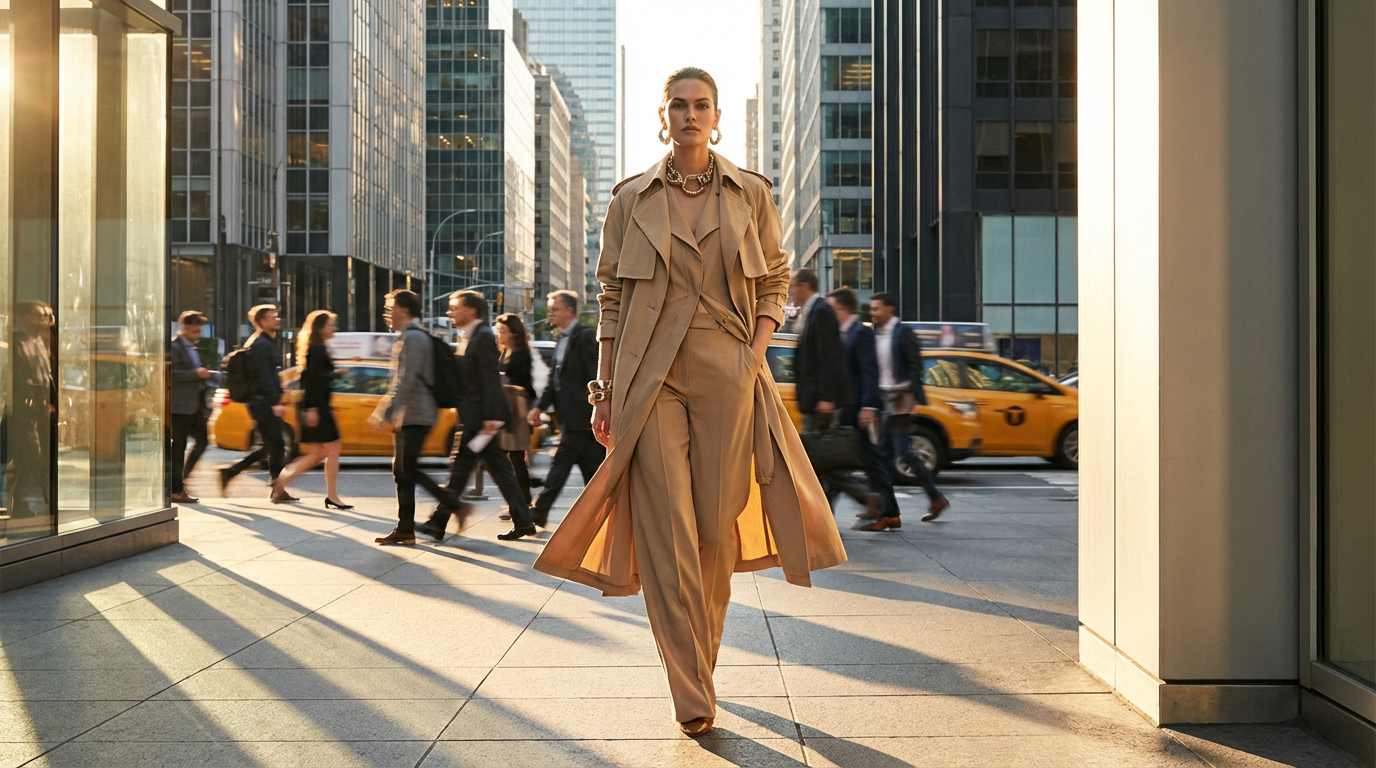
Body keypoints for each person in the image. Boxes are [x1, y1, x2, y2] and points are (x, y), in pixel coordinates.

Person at [532, 68, 846, 737]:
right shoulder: (629, 200)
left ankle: (699, 659)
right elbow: (611, 300)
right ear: (663, 115)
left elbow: (774, 278)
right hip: (650, 380)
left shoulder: (752, 193)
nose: (690, 114)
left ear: (716, 116)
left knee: (711, 531)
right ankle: (691, 690)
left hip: (729, 373)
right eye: (679, 104)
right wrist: (603, 391)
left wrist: (754, 354)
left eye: (701, 105)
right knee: (667, 532)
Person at [416, 291, 538, 542]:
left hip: (481, 420)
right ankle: (523, 522)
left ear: (471, 311)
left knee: (464, 470)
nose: (450, 313)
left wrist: (491, 417)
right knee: (492, 472)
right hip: (477, 418)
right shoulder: (472, 336)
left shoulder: (482, 336)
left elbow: (489, 379)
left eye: (454, 308)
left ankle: (438, 522)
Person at [370, 289, 467, 545]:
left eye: (390, 307)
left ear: (403, 309)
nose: (387, 313)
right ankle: (405, 528)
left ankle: (453, 504)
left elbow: (407, 379)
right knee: (401, 471)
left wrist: (386, 412)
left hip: (417, 413)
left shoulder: (413, 339)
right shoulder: (410, 337)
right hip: (411, 414)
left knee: (407, 469)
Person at [867, 292, 950, 527]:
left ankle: (891, 509)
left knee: (900, 454)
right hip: (885, 399)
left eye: (876, 309)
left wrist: (909, 397)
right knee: (885, 455)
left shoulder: (903, 332)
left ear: (890, 309)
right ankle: (893, 507)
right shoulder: (878, 333)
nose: (872, 313)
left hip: (901, 399)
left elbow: (915, 365)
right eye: (871, 309)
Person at [525, 290, 605, 528]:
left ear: (569, 311)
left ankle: (539, 510)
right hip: (569, 418)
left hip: (581, 416)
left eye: (554, 309)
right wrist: (538, 407)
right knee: (593, 470)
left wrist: (596, 407)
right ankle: (604, 513)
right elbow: (554, 380)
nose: (549, 313)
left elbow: (595, 375)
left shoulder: (584, 336)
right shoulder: (561, 338)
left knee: (561, 464)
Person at [824, 288, 903, 525]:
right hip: (850, 409)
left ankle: (888, 513)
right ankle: (883, 508)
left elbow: (870, 371)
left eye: (831, 308)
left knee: (867, 461)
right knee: (862, 462)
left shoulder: (861, 333)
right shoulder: (845, 334)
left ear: (842, 308)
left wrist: (869, 406)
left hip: (860, 410)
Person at [272, 310, 352, 510]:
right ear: (320, 328)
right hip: (316, 406)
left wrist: (334, 374)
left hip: (317, 405)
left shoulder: (317, 347)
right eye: (331, 325)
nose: (334, 328)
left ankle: (281, 482)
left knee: (320, 452)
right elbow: (310, 383)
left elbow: (317, 377)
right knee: (331, 449)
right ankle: (331, 496)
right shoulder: (316, 349)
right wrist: (311, 409)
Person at [219, 305, 295, 502]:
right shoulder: (261, 345)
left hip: (263, 400)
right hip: (263, 402)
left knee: (273, 445)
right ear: (262, 322)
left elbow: (269, 375)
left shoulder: (264, 342)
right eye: (273, 316)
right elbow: (262, 377)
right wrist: (274, 402)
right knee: (276, 445)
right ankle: (276, 489)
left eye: (277, 315)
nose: (277, 318)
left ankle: (236, 474)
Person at [789, 268, 851, 432]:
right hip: (812, 399)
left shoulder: (821, 311)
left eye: (793, 287)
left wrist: (826, 398)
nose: (791, 292)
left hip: (819, 400)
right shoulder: (812, 311)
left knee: (820, 452)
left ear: (804, 286)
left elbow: (828, 356)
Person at [9, 301, 55, 520]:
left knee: (35, 456)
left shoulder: (38, 342)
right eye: (39, 316)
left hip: (41, 410)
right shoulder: (16, 342)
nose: (44, 321)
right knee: (29, 455)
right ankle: (23, 501)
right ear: (24, 317)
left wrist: (51, 401)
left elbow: (47, 377)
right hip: (22, 411)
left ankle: (21, 502)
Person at [170, 311, 217, 504]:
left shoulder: (191, 347)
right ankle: (175, 489)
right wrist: (196, 373)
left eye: (200, 327)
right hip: (180, 406)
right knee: (178, 448)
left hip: (194, 405)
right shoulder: (175, 346)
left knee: (203, 442)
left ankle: (180, 480)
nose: (199, 331)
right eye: (196, 327)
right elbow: (171, 373)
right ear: (186, 326)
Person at [494, 312, 535, 505]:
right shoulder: (506, 352)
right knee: (513, 459)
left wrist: (505, 383)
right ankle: (521, 501)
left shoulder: (522, 353)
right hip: (507, 408)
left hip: (518, 411)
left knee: (514, 458)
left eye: (503, 330)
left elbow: (527, 385)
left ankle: (522, 502)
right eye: (498, 330)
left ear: (513, 333)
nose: (499, 334)